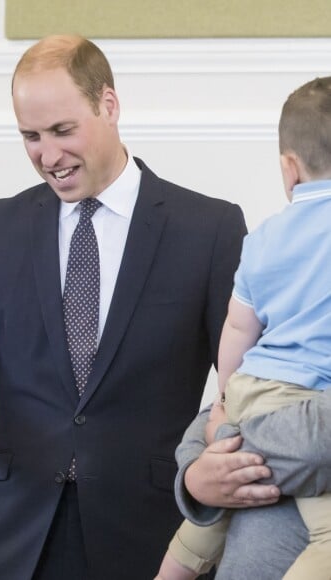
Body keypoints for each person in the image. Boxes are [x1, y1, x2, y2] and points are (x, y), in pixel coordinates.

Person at [0, 34, 247, 580]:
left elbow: (243, 386)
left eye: (63, 131)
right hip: (15, 542)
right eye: (31, 136)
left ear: (108, 105)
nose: (48, 155)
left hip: (151, 541)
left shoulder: (210, 230)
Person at [159, 76, 331, 579]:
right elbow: (202, 472)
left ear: (289, 167)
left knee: (217, 501)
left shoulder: (264, 238)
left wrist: (228, 405)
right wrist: (199, 466)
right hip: (307, 403)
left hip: (256, 392)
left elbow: (237, 328)